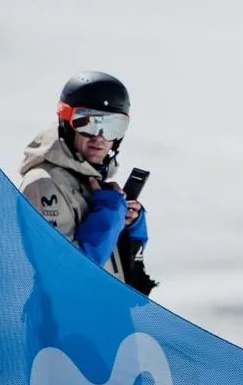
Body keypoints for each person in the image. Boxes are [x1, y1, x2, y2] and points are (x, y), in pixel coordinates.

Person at [19, 71, 157, 295]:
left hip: (102, 317)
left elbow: (114, 265)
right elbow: (64, 275)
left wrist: (130, 223)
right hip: (65, 323)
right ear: (67, 122)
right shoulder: (43, 183)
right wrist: (109, 215)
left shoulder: (89, 180)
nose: (100, 137)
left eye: (113, 126)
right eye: (88, 123)